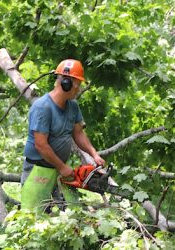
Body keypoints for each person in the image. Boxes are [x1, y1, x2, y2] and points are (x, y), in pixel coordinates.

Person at [20, 59, 105, 211]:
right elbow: (41, 145)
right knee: (33, 215)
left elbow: (78, 133)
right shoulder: (43, 107)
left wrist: (94, 154)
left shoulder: (72, 106)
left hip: (58, 170)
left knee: (68, 213)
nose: (78, 90)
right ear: (66, 83)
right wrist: (63, 167)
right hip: (38, 170)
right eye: (77, 85)